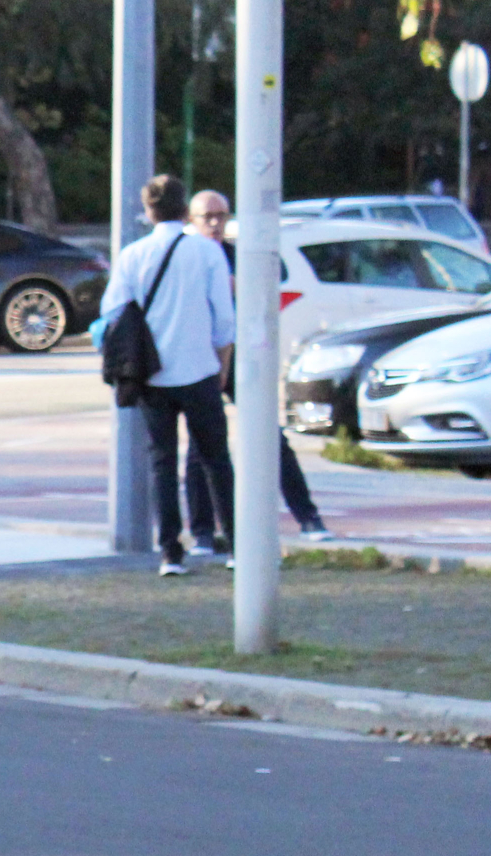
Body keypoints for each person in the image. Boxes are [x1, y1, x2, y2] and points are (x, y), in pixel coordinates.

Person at [100, 173, 235, 576]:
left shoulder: (134, 255)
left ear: (148, 210)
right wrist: (221, 365)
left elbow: (113, 311)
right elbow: (224, 321)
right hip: (199, 370)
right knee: (216, 459)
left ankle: (170, 552)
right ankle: (234, 545)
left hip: (152, 375)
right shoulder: (207, 253)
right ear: (184, 210)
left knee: (162, 461)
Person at [182, 190, 332, 549]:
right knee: (201, 445)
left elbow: (262, 303)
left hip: (240, 359)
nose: (216, 224)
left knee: (270, 436)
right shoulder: (188, 261)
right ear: (192, 220)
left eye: (221, 215)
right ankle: (203, 531)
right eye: (207, 217)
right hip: (201, 360)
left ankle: (308, 516)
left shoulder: (239, 259)